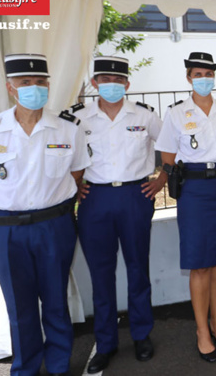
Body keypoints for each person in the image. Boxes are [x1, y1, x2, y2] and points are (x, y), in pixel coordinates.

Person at [0, 53, 91, 376]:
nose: (35, 88)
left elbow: (76, 174)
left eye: (40, 82)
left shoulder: (67, 128)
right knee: (20, 308)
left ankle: (59, 366)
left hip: (55, 226)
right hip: (7, 230)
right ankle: (26, 368)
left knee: (55, 302)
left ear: (48, 85)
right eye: (25, 82)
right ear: (10, 87)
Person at [73, 56, 163, 373]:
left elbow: (168, 146)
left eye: (117, 79)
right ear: (95, 82)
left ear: (127, 84)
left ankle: (141, 335)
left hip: (134, 195)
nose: (111, 84)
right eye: (104, 78)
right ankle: (106, 342)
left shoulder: (145, 115)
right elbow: (64, 156)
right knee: (101, 275)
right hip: (95, 198)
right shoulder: (79, 118)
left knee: (138, 268)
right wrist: (75, 186)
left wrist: (162, 179)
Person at [154, 52, 216, 363]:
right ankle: (201, 330)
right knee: (200, 263)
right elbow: (167, 155)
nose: (204, 79)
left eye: (209, 74)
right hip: (193, 189)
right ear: (189, 78)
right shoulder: (177, 113)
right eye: (198, 74)